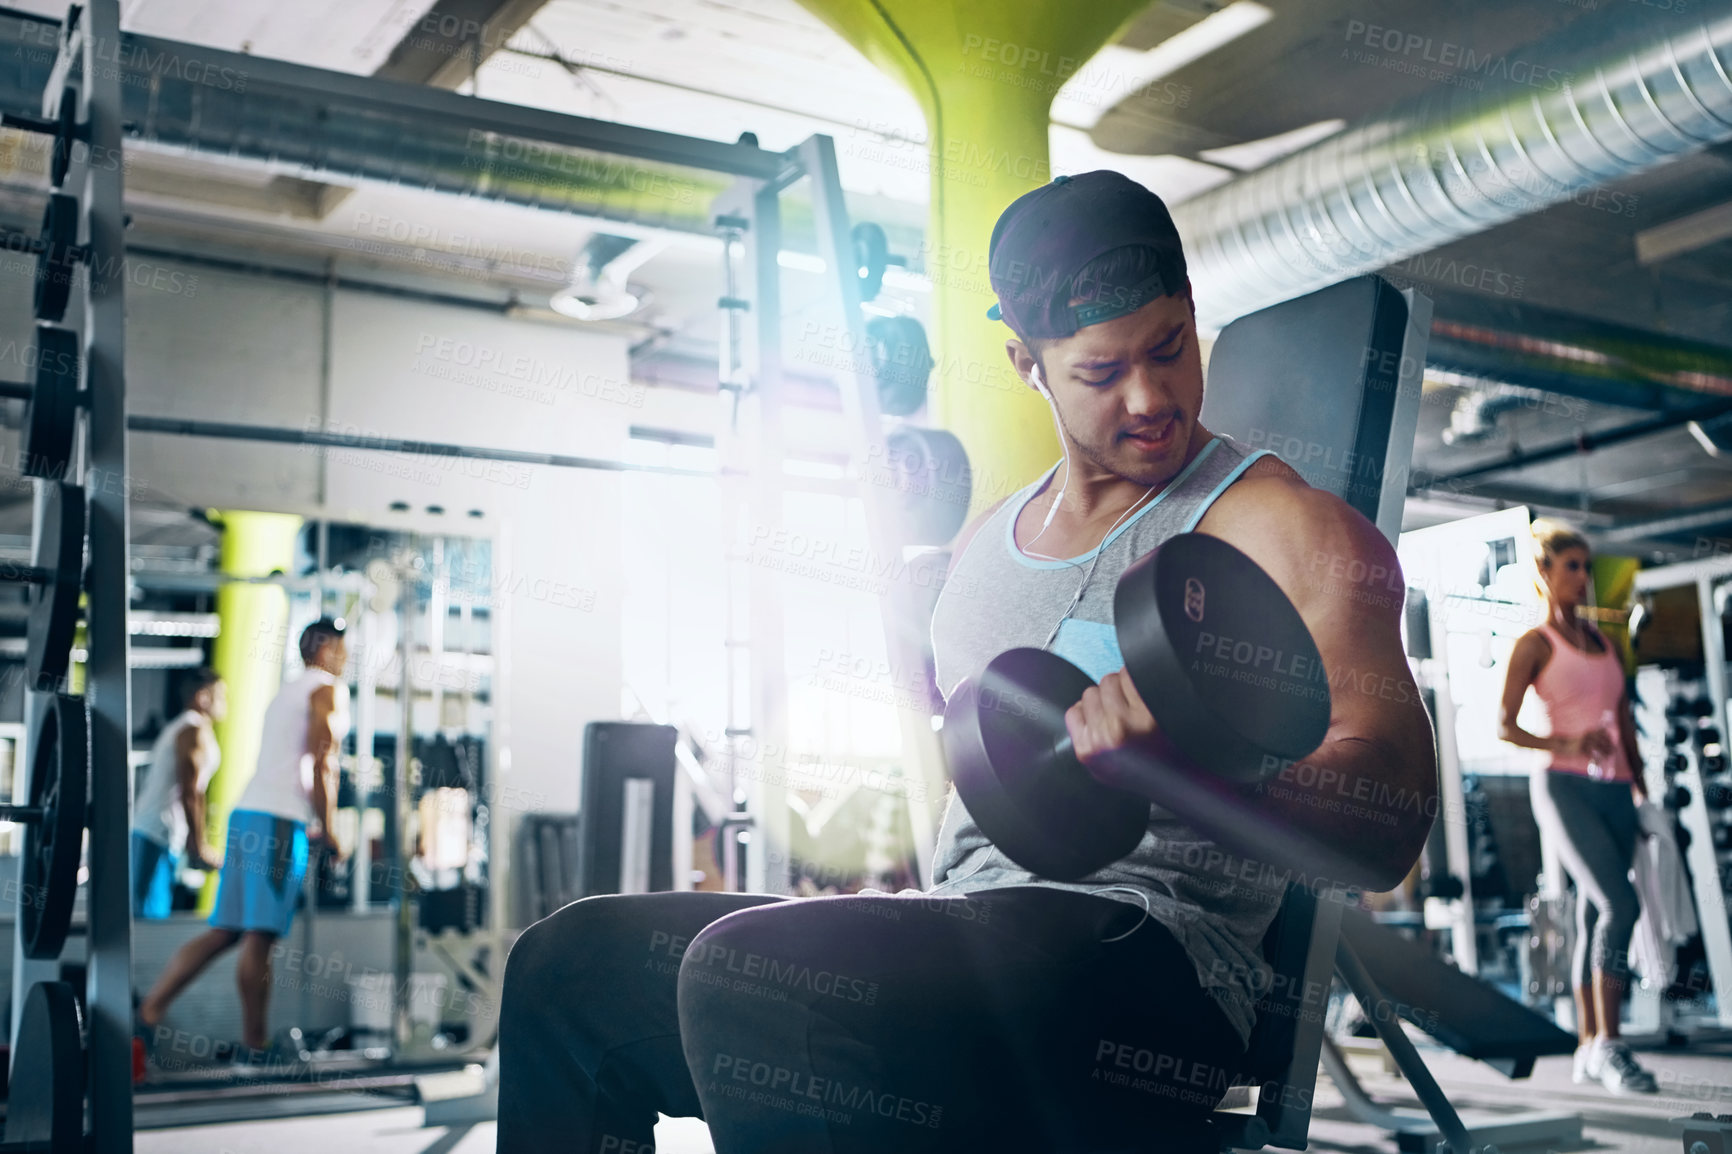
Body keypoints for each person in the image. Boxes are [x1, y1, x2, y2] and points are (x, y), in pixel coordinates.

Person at [496, 171, 1438, 1153]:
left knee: (755, 971)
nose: (1151, 396)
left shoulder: (1286, 526)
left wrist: (1190, 768)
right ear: (1025, 362)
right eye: (1101, 371)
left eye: (1169, 348)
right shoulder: (988, 543)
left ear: (1193, 311)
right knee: (571, 965)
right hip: (970, 935)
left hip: (1152, 968)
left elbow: (1389, 825)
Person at [137, 618, 350, 1060]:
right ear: (325, 648)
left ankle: (150, 1011)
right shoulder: (327, 689)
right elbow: (322, 761)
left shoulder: (287, 690)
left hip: (249, 813)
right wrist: (330, 830)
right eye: (343, 648)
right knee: (260, 935)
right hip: (276, 820)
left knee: (227, 930)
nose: (347, 658)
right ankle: (257, 1046)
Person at [1499, 520, 1656, 1094]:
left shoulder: (1606, 643)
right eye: (1572, 566)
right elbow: (1506, 727)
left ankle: (1591, 1047)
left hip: (1616, 790)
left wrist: (1641, 790)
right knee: (1621, 904)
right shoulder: (1535, 644)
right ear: (1544, 572)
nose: (1584, 577)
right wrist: (1567, 742)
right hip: (1565, 786)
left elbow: (1627, 724)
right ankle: (1614, 1044)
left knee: (1597, 913)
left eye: (1588, 566)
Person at [131, 668, 226, 918]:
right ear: (202, 697)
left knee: (152, 914)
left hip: (162, 835)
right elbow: (191, 791)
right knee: (147, 922)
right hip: (155, 833)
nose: (225, 703)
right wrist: (199, 844)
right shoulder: (192, 729)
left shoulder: (187, 727)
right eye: (220, 696)